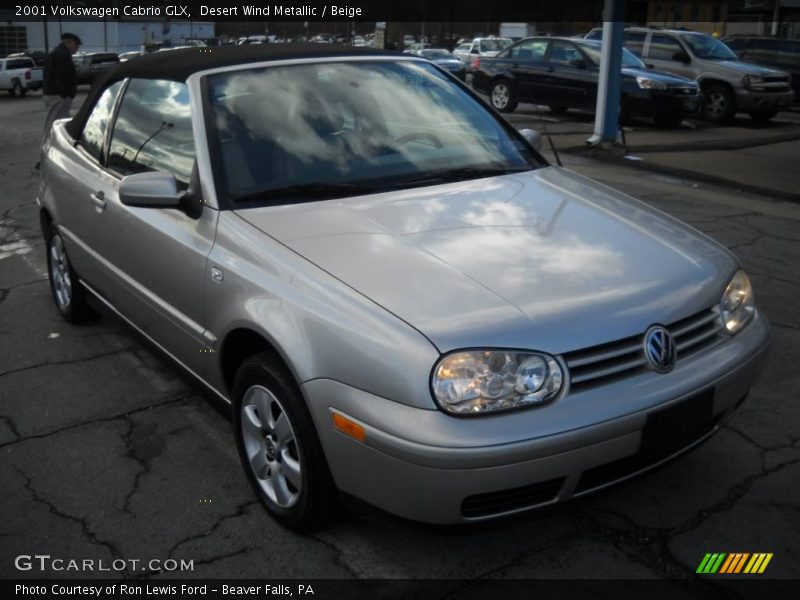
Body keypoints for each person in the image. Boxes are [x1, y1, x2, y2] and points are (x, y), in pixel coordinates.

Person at [42, 32, 81, 140]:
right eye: (76, 45)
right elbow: (63, 76)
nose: (77, 48)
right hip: (58, 97)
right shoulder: (62, 55)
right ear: (69, 42)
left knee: (63, 125)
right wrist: (66, 95)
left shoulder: (58, 53)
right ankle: (46, 151)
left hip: (55, 95)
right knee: (53, 127)